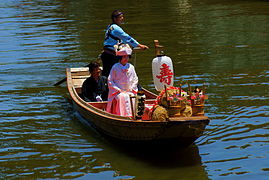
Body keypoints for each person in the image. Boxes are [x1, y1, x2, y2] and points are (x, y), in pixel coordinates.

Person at [101, 10, 149, 77]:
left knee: (107, 73)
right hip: (111, 55)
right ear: (115, 19)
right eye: (120, 17)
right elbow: (127, 38)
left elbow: (119, 39)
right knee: (110, 74)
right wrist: (139, 45)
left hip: (107, 53)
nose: (122, 19)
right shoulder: (116, 28)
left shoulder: (110, 26)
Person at [106, 45, 138, 117]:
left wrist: (132, 88)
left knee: (133, 96)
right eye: (124, 57)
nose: (126, 58)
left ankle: (133, 115)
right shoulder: (115, 67)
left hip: (129, 89)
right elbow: (110, 80)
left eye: (127, 56)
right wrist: (118, 89)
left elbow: (135, 79)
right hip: (118, 91)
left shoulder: (131, 67)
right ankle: (122, 115)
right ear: (120, 58)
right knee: (122, 97)